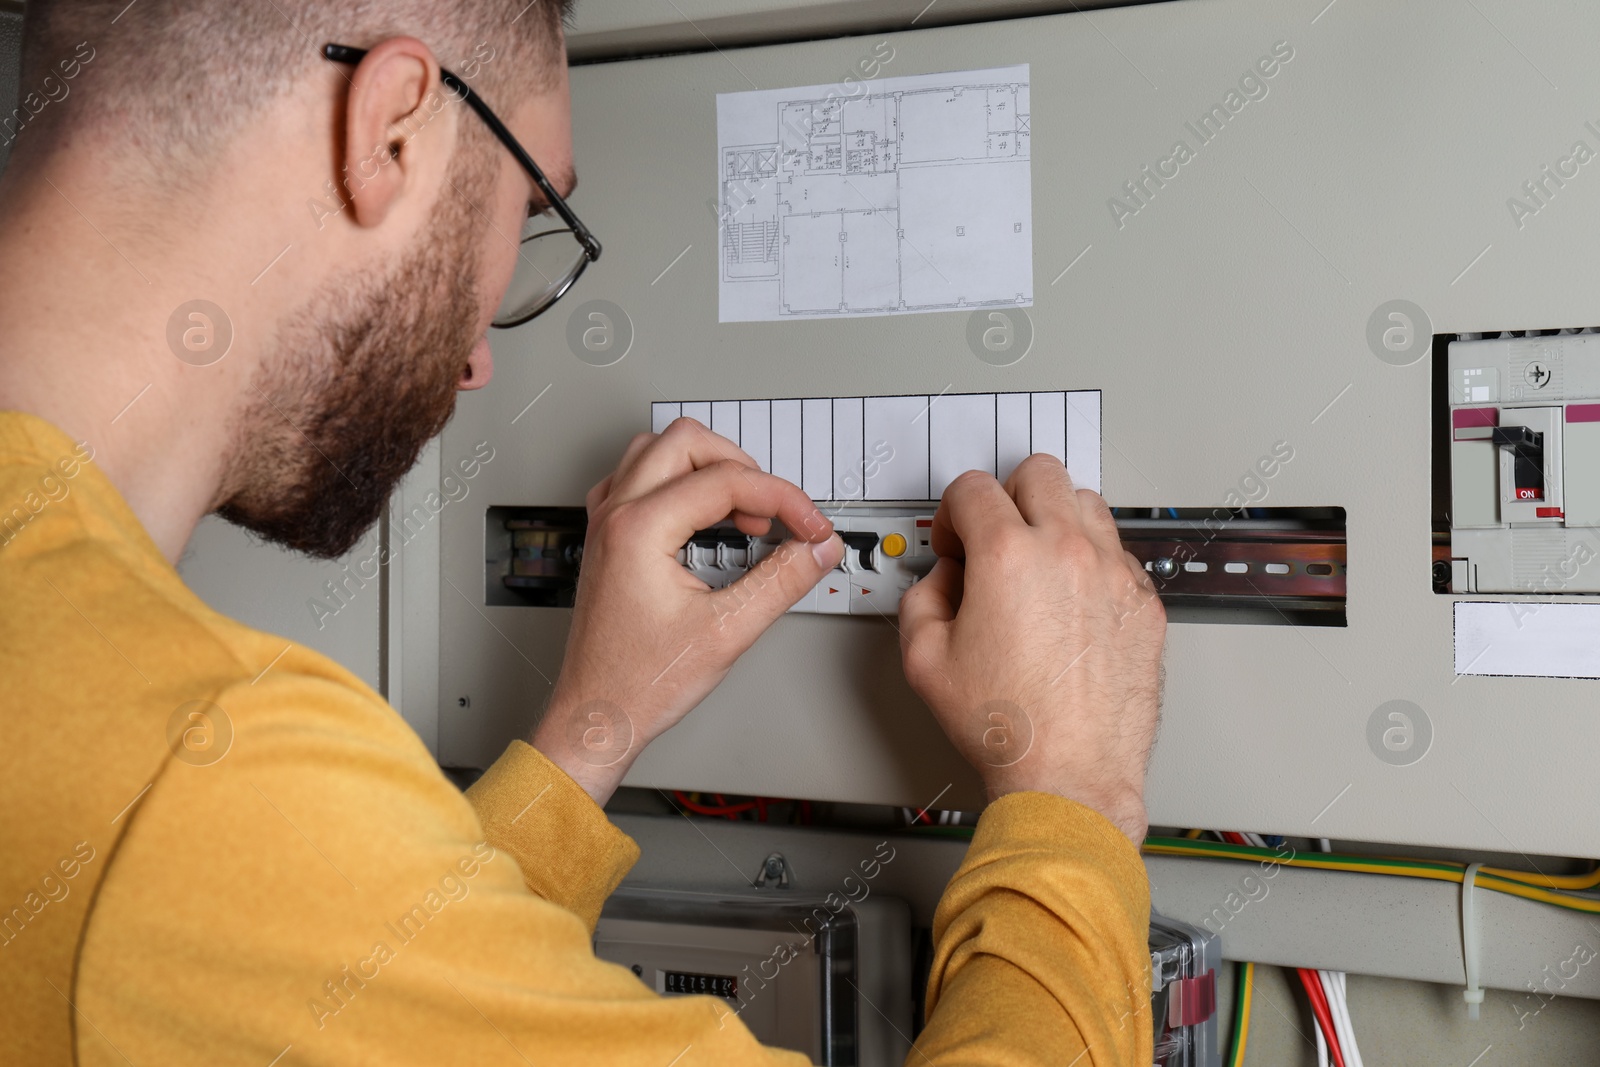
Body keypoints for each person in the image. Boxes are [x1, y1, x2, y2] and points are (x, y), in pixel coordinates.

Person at [0, 2, 1167, 1063]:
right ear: (392, 125)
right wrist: (1073, 793)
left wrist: (585, 735)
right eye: (526, 214)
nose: (477, 360)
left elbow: (345, 989)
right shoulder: (204, 781)